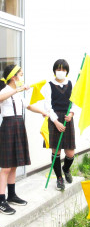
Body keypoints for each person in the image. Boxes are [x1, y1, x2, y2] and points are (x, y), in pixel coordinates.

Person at [0, 64, 47, 215]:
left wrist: (42, 111)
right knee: (6, 167)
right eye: (20, 74)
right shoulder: (6, 90)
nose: (22, 77)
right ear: (13, 77)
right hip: (8, 126)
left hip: (18, 126)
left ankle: (11, 195)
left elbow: (29, 106)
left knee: (14, 164)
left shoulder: (18, 94)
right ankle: (1, 200)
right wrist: (17, 89)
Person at [41, 59, 76, 191]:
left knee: (70, 152)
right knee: (56, 150)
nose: (60, 72)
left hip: (67, 118)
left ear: (67, 71)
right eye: (58, 69)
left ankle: (66, 169)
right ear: (54, 70)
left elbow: (75, 102)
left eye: (63, 69)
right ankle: (59, 178)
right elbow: (47, 106)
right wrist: (55, 121)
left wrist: (71, 114)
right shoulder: (49, 85)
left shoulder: (71, 84)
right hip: (54, 118)